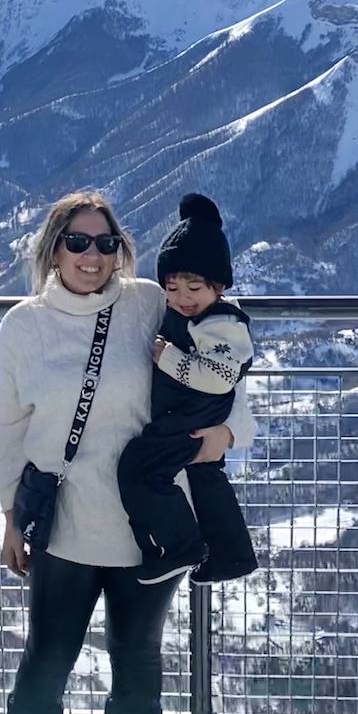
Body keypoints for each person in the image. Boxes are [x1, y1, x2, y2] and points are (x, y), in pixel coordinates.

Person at [0, 190, 256, 714]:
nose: (92, 255)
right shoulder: (23, 326)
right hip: (68, 524)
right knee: (47, 655)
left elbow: (226, 392)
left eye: (105, 243)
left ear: (121, 250)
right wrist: (10, 517)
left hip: (151, 529)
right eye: (77, 242)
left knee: (137, 656)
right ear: (52, 248)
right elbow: (5, 431)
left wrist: (224, 439)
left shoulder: (150, 305)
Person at [117, 193, 258, 586]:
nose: (182, 299)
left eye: (194, 288)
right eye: (172, 288)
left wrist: (167, 358)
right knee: (206, 480)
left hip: (192, 418)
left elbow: (218, 376)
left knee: (140, 468)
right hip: (191, 416)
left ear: (218, 286)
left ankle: (178, 545)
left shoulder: (223, 324)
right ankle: (231, 555)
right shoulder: (192, 316)